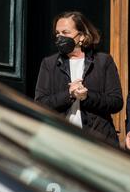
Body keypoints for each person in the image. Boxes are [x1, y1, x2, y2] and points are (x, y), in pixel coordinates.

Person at [35, 11, 123, 147]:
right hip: (61, 141)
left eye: (65, 32)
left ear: (81, 36)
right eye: (57, 34)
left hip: (98, 141)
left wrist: (87, 97)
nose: (60, 37)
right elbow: (40, 103)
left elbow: (116, 102)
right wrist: (69, 94)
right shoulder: (49, 64)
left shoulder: (103, 61)